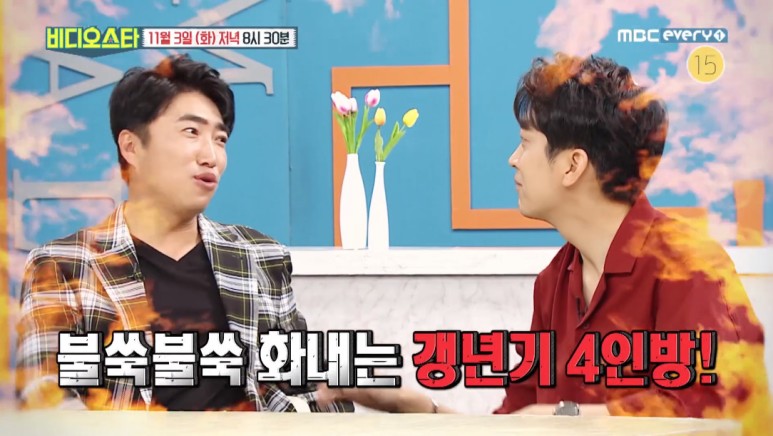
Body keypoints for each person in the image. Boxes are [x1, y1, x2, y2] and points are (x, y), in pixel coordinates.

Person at [317, 53, 771, 431]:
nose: (513, 160)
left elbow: (714, 414)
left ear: (572, 165)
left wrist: (563, 418)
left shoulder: (689, 266)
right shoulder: (555, 281)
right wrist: (420, 409)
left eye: (525, 142)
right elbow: (517, 426)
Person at [15, 54, 353, 413]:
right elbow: (45, 397)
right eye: (191, 131)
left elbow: (310, 392)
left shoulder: (259, 255)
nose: (211, 156)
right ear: (131, 147)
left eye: (220, 139)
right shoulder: (62, 264)